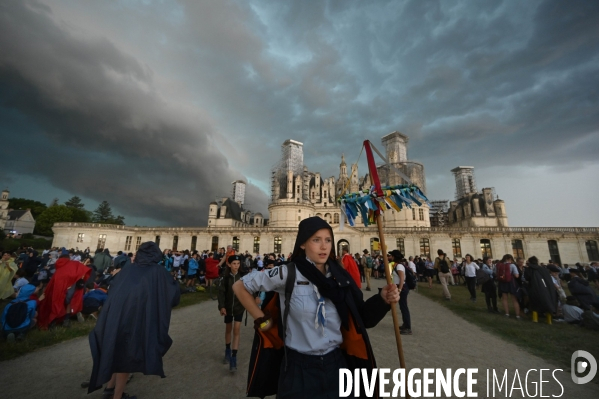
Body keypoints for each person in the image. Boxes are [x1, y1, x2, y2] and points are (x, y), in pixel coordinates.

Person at [233, 217, 399, 398]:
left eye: (328, 240)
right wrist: (262, 318)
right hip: (298, 369)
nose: (324, 246)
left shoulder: (340, 277)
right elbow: (240, 286)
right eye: (316, 240)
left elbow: (363, 319)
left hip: (336, 366)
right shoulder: (287, 272)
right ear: (303, 244)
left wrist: (382, 299)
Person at [88, 242, 180, 399]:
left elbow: (114, 286)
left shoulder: (128, 269)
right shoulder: (156, 271)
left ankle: (109, 388)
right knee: (126, 356)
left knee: (115, 351)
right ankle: (117, 396)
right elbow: (173, 295)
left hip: (113, 317)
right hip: (132, 318)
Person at [37, 255, 91, 329]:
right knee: (68, 302)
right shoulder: (73, 264)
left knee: (57, 302)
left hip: (58, 288)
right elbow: (82, 270)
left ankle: (53, 321)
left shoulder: (59, 267)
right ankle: (66, 319)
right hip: (71, 286)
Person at [218, 254, 247, 372]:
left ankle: (234, 356)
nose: (236, 266)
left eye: (238, 264)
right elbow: (221, 294)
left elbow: (250, 289)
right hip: (229, 308)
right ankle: (227, 349)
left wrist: (255, 298)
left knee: (237, 330)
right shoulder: (225, 279)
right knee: (228, 329)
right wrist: (222, 306)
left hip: (239, 307)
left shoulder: (243, 277)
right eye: (234, 264)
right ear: (229, 264)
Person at [389, 250, 412, 335]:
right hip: (399, 287)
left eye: (391, 256)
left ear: (394, 257)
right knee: (402, 307)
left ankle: (408, 327)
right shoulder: (397, 265)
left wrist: (399, 290)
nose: (390, 257)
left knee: (404, 307)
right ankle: (405, 324)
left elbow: (402, 278)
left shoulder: (399, 266)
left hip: (401, 288)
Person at [496, 254, 521, 319]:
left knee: (504, 299)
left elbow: (496, 273)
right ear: (510, 259)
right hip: (511, 282)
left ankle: (507, 313)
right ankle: (517, 315)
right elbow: (516, 275)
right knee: (514, 299)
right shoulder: (512, 265)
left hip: (502, 282)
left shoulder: (499, 265)